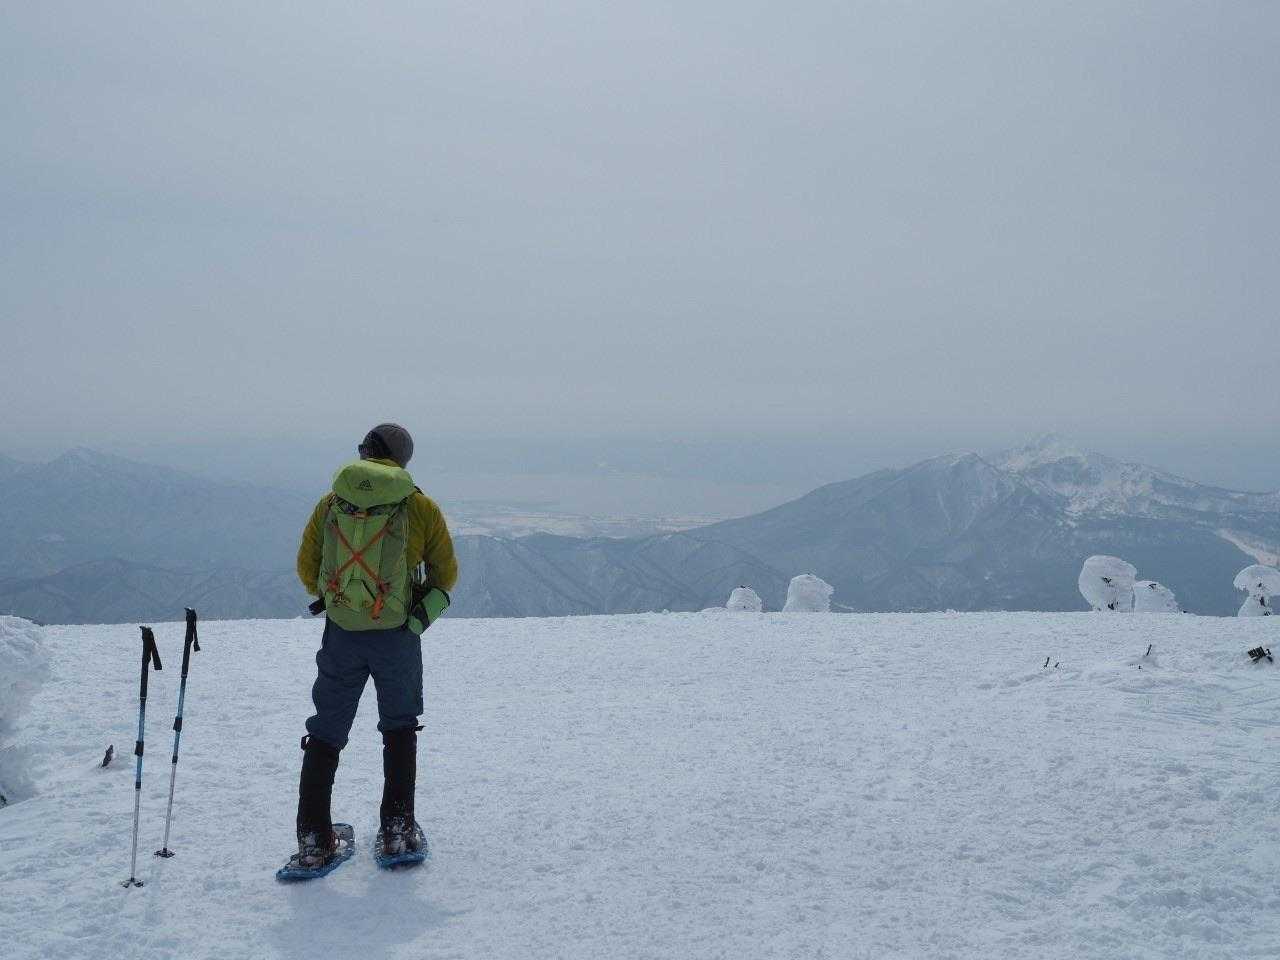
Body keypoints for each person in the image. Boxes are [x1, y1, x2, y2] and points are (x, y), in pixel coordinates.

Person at [288, 423, 458, 872]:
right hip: (397, 635)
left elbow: (307, 566)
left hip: (341, 634)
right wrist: (414, 616)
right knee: (399, 726)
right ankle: (397, 832)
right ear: (402, 460)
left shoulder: (332, 503)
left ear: (364, 451)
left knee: (326, 731)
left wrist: (341, 603)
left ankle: (314, 841)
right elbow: (445, 576)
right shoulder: (419, 506)